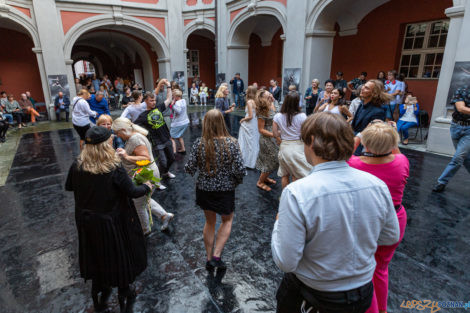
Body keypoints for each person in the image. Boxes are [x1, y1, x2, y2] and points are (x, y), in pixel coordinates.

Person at [272, 112, 400, 313]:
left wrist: (279, 224)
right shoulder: (378, 185)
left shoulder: (298, 192)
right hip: (363, 292)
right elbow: (390, 236)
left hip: (314, 293)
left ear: (312, 142)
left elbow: (286, 261)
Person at [65, 126, 151, 313]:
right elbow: (133, 192)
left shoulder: (77, 165)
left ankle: (99, 288)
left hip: (87, 220)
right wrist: (147, 185)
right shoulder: (113, 167)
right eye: (110, 140)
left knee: (96, 253)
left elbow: (70, 187)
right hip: (112, 220)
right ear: (105, 145)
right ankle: (124, 290)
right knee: (119, 254)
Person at [348, 121, 408, 313]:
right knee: (381, 269)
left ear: (365, 143)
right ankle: (381, 309)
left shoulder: (353, 164)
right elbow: (395, 151)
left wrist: (360, 134)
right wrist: (388, 132)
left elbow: (348, 149)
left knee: (363, 270)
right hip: (396, 219)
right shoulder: (402, 162)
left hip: (366, 221)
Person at [184, 109, 246, 272]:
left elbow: (189, 168)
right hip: (225, 189)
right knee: (227, 220)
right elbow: (240, 170)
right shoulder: (232, 143)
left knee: (210, 222)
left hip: (204, 188)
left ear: (206, 123)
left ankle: (208, 257)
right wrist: (234, 181)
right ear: (221, 122)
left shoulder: (199, 143)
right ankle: (217, 256)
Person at [112, 117, 174, 232]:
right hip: (146, 173)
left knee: (138, 204)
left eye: (117, 133)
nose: (117, 136)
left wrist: (126, 156)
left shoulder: (135, 139)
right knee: (143, 199)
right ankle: (164, 215)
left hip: (145, 174)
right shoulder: (134, 136)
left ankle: (145, 229)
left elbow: (145, 159)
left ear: (122, 130)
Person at [433, 85, 470, 192]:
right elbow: (460, 108)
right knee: (466, 158)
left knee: (458, 157)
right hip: (455, 127)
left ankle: (442, 182)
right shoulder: (462, 90)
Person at [273, 91, 311, 188]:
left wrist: (283, 134)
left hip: (284, 147)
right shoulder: (302, 116)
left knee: (284, 175)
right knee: (296, 175)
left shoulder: (277, 116)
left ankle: (284, 197)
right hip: (298, 147)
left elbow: (275, 133)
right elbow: (306, 132)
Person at [135, 91, 176, 179]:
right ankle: (157, 179)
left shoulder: (158, 108)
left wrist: (168, 86)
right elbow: (133, 125)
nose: (154, 102)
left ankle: (165, 172)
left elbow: (169, 99)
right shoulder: (143, 116)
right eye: (151, 101)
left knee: (172, 158)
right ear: (145, 101)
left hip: (166, 138)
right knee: (163, 162)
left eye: (154, 100)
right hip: (157, 142)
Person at [352, 80, 391, 155]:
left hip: (363, 146)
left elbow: (372, 135)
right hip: (354, 140)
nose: (362, 88)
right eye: (364, 86)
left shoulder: (378, 111)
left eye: (367, 88)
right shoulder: (362, 103)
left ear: (374, 93)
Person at [255, 90, 279, 191]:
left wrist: (274, 101)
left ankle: (265, 178)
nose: (270, 94)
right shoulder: (262, 110)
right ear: (263, 98)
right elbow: (260, 130)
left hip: (274, 137)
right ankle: (260, 182)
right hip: (267, 139)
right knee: (270, 161)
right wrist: (274, 135)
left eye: (270, 93)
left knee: (273, 160)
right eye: (268, 94)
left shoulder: (272, 104)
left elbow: (278, 114)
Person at [238, 85, 260, 169]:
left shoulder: (249, 102)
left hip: (249, 123)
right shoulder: (256, 101)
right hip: (254, 123)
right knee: (253, 141)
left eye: (247, 89)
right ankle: (253, 161)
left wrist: (243, 119)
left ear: (250, 92)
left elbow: (250, 116)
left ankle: (247, 161)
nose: (246, 90)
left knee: (245, 142)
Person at [169, 89, 189, 153]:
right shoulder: (184, 101)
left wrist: (172, 105)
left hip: (178, 123)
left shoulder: (177, 103)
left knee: (171, 137)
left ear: (177, 96)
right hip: (185, 122)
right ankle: (183, 149)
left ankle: (174, 152)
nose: (172, 97)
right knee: (179, 136)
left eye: (173, 96)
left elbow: (178, 111)